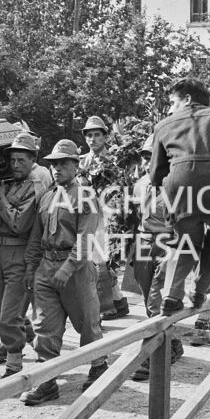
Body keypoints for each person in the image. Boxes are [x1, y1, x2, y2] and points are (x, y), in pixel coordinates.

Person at [20, 139, 108, 406]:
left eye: (63, 163)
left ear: (75, 165)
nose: (57, 168)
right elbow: (37, 235)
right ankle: (47, 381)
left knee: (88, 323)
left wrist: (68, 268)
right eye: (53, 164)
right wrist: (31, 268)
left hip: (77, 270)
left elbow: (85, 239)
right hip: (47, 267)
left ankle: (98, 366)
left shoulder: (85, 196)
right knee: (45, 327)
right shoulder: (47, 196)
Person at [150, 77, 210, 315]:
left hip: (180, 186)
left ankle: (172, 295)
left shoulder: (163, 125)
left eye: (174, 101)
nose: (172, 108)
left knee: (187, 243)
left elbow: (156, 172)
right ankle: (200, 288)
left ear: (188, 99)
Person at [0, 132, 52, 380]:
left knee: (9, 316)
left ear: (33, 159)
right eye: (12, 160)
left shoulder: (36, 184)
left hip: (21, 253)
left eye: (22, 160)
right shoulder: (8, 182)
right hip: (1, 251)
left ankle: (14, 365)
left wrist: (0, 199)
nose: (16, 165)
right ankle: (28, 338)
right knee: (2, 311)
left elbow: (19, 223)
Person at [130, 135, 185, 381]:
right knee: (146, 295)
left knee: (156, 299)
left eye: (152, 158)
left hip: (167, 243)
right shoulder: (139, 184)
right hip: (143, 242)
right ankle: (173, 342)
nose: (147, 163)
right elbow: (134, 216)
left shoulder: (177, 185)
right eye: (144, 158)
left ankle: (155, 354)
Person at [79, 116, 129, 320]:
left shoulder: (115, 159)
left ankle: (105, 305)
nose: (92, 139)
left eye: (97, 135)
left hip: (109, 213)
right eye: (89, 135)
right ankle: (117, 300)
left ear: (105, 137)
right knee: (95, 257)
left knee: (106, 258)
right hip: (89, 213)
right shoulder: (82, 160)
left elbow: (123, 187)